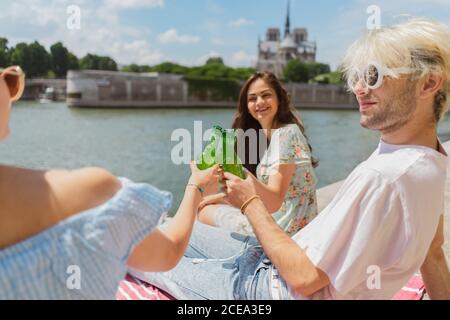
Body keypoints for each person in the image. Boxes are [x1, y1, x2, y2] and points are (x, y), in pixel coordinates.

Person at [131, 18, 450, 300]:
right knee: (163, 230)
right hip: (273, 256)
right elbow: (433, 254)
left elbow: (305, 279)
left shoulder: (383, 176)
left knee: (133, 249)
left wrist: (247, 201)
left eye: (374, 75)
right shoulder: (433, 161)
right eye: (355, 77)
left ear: (428, 82)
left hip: (269, 287)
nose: (358, 88)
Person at [0, 65, 220, 299]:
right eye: (9, 79)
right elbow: (169, 251)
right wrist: (196, 186)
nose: (11, 82)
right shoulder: (92, 192)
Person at [198, 72, 318, 236]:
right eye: (252, 98)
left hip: (279, 233)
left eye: (266, 95)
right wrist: (220, 197)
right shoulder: (281, 134)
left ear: (279, 99)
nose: (259, 102)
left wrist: (240, 172)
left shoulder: (285, 135)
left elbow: (274, 201)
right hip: (288, 228)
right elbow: (268, 196)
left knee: (202, 213)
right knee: (207, 205)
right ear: (247, 106)